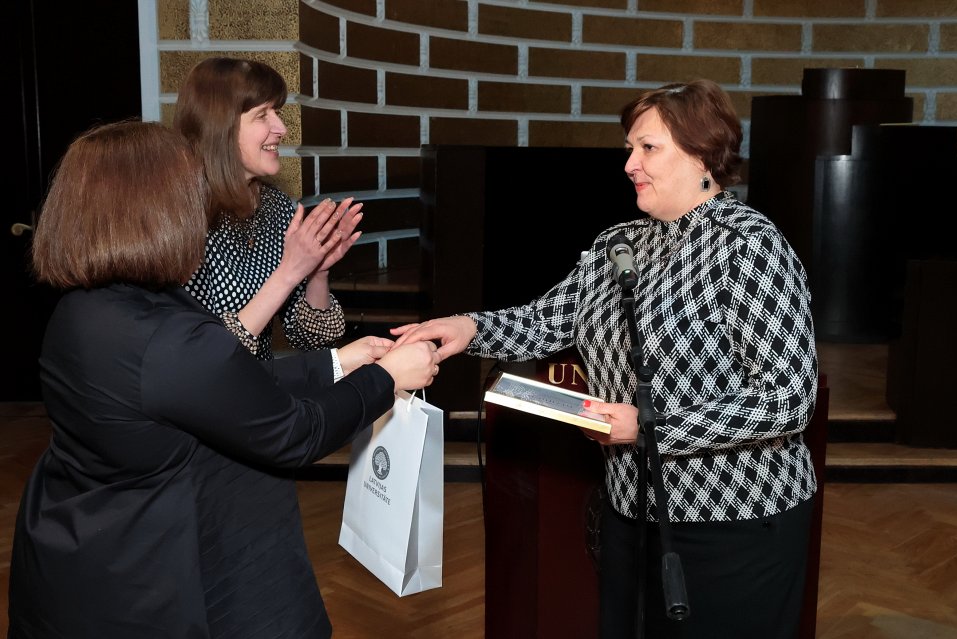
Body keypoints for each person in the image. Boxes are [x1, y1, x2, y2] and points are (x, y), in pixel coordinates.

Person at [392, 79, 818, 639]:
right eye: (629, 149)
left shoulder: (749, 245)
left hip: (735, 522)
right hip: (630, 512)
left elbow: (791, 397)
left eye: (648, 148)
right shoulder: (620, 242)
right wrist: (466, 328)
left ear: (703, 153)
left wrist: (650, 426)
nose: (630, 165)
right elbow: (548, 320)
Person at [7, 120, 442, 638]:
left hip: (74, 547)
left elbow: (213, 387)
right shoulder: (166, 337)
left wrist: (337, 363)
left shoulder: (84, 308)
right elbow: (295, 435)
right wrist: (385, 378)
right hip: (151, 576)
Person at [174, 56, 361, 360]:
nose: (282, 128)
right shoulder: (178, 215)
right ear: (220, 127)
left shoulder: (276, 208)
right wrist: (289, 271)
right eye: (263, 115)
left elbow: (312, 340)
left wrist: (316, 272)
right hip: (198, 403)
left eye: (277, 112)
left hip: (258, 393)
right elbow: (200, 359)